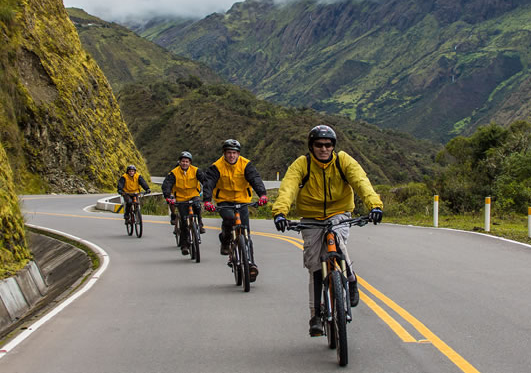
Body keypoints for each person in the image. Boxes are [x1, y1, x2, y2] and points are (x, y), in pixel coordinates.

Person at [272, 125, 383, 337]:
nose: (324, 149)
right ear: (311, 147)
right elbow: (289, 187)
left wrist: (375, 205)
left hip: (339, 212)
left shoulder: (343, 161)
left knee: (339, 242)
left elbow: (361, 182)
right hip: (311, 218)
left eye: (328, 145)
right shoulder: (302, 164)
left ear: (333, 146)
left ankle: (350, 278)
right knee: (314, 266)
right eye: (319, 145)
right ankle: (315, 315)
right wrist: (280, 212)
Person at [202, 139, 267, 281]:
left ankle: (250, 264)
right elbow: (209, 183)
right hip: (224, 201)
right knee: (229, 219)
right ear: (224, 153)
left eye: (234, 153)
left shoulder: (246, 165)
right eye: (229, 153)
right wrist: (207, 200)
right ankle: (225, 240)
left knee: (246, 234)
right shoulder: (216, 167)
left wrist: (262, 194)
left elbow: (255, 179)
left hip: (242, 201)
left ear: (238, 154)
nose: (231, 156)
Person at [162, 151, 206, 255]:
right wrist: (168, 196)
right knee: (183, 222)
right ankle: (184, 245)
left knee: (197, 206)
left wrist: (208, 191)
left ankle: (199, 223)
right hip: (181, 199)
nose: (185, 163)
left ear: (190, 162)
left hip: (194, 195)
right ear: (180, 162)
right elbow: (167, 185)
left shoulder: (196, 171)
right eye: (183, 161)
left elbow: (205, 180)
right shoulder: (174, 173)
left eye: (187, 161)